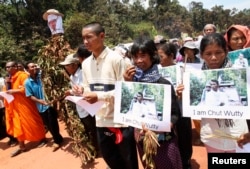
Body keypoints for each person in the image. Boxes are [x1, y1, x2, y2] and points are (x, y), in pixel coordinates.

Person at [73, 22, 138, 169]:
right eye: (83, 38)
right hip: (101, 121)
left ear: (102, 36)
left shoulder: (117, 59)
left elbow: (126, 91)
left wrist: (99, 97)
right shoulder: (86, 64)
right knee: (111, 160)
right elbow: (87, 87)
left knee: (128, 162)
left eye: (89, 37)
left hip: (121, 122)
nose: (85, 42)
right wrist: (81, 91)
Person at [123, 35, 182, 169]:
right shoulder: (132, 82)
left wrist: (158, 128)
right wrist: (128, 85)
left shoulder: (163, 84)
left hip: (164, 141)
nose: (138, 61)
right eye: (135, 56)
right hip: (142, 138)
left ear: (152, 55)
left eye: (143, 56)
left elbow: (175, 115)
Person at [198, 33, 248, 152]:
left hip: (238, 135)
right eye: (208, 54)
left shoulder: (240, 75)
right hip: (211, 136)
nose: (214, 58)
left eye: (218, 52)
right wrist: (182, 95)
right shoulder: (197, 78)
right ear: (201, 55)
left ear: (225, 52)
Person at [158, 43, 193, 169]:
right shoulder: (155, 71)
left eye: (161, 56)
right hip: (167, 112)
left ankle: (186, 161)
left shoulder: (183, 69)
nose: (159, 60)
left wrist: (184, 89)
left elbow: (192, 89)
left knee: (184, 135)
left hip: (182, 109)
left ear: (171, 56)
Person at [3, 61, 46, 157]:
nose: (7, 69)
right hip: (14, 106)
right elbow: (6, 91)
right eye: (6, 67)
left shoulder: (23, 76)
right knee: (17, 125)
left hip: (25, 105)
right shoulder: (9, 78)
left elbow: (27, 89)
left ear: (15, 67)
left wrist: (15, 91)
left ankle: (42, 138)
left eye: (9, 67)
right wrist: (7, 84)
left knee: (33, 122)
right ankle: (21, 146)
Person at [60, 53, 99, 155]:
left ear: (74, 65)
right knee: (89, 129)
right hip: (81, 107)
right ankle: (95, 147)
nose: (66, 68)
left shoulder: (82, 74)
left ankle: (99, 149)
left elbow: (84, 90)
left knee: (94, 129)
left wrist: (71, 92)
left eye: (67, 65)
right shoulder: (72, 77)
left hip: (88, 107)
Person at [24, 61, 64, 152]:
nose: (34, 68)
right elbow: (30, 96)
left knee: (53, 123)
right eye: (32, 67)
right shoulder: (27, 83)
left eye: (35, 66)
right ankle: (58, 137)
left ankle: (57, 141)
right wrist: (39, 101)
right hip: (41, 107)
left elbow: (49, 72)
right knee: (48, 125)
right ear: (27, 70)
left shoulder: (42, 76)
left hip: (49, 104)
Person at [0, 76, 18, 145]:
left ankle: (13, 138)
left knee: (7, 122)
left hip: (4, 104)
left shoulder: (2, 80)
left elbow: (7, 90)